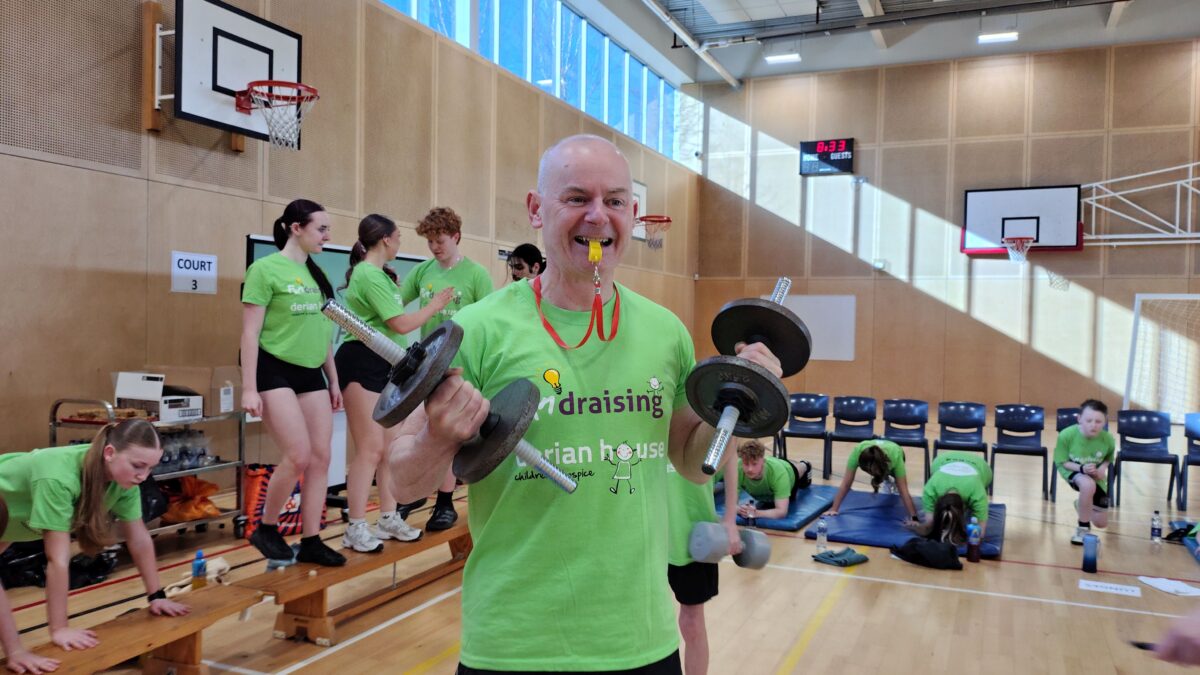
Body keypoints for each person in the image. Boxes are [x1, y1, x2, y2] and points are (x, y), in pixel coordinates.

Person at [386, 134, 783, 672]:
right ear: (536, 209)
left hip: (638, 639)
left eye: (614, 201)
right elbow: (404, 484)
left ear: (633, 215)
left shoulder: (665, 332)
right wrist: (438, 435)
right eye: (577, 198)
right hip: (513, 645)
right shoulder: (476, 329)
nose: (598, 216)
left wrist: (739, 403)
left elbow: (692, 464)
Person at [0, 420, 189, 674]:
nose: (144, 476)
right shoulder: (58, 477)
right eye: (137, 466)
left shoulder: (123, 481)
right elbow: (58, 560)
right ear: (109, 453)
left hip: (9, 522)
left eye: (150, 468)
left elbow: (139, 538)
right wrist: (55, 631)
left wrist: (156, 596)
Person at [335, 214, 453, 552]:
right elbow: (400, 324)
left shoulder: (382, 276)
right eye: (398, 236)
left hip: (387, 365)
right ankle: (355, 526)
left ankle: (388, 517)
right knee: (370, 449)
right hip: (361, 362)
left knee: (390, 449)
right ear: (386, 239)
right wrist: (435, 305)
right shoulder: (368, 274)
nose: (400, 242)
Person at [241, 199, 346, 566]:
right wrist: (249, 388)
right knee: (298, 454)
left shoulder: (317, 274)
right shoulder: (264, 270)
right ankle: (266, 527)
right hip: (274, 369)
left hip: (311, 371)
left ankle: (312, 540)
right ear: (296, 228)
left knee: (321, 457)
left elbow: (323, 333)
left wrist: (333, 380)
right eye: (321, 229)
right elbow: (250, 333)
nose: (327, 236)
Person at [397, 207, 493, 531]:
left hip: (461, 365)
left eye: (440, 241)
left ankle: (445, 502)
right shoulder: (422, 272)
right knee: (425, 431)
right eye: (430, 242)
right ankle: (417, 492)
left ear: (456, 237)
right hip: (428, 364)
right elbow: (396, 306)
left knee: (453, 435)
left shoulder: (476, 275)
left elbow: (489, 321)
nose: (435, 247)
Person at [666, 451, 740, 675]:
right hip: (642, 525)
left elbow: (730, 449)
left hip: (691, 524)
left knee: (692, 624)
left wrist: (730, 518)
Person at [1053, 399, 1114, 545]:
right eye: (1089, 420)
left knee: (1101, 523)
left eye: (1098, 421)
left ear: (1105, 421)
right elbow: (1063, 462)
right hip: (1071, 468)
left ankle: (1081, 504)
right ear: (1079, 419)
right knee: (1087, 485)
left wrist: (1102, 468)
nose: (1093, 425)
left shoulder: (1108, 439)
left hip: (1094, 474)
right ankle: (1083, 529)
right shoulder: (1066, 435)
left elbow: (1108, 458)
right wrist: (1081, 469)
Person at [910, 450, 991, 545]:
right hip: (942, 460)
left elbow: (979, 535)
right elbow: (929, 523)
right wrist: (917, 526)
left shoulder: (977, 493)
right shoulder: (930, 489)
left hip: (980, 465)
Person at [827, 439, 918, 521]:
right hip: (878, 459)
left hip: (895, 451)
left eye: (872, 471)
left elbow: (904, 491)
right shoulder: (857, 453)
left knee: (899, 485)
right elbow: (846, 484)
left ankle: (890, 480)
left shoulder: (895, 457)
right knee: (881, 476)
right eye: (867, 471)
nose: (870, 474)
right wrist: (834, 509)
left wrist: (914, 518)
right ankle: (886, 480)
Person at [731, 440, 811, 522]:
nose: (750, 469)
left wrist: (756, 513)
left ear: (763, 461)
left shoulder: (779, 474)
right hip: (774, 472)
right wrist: (741, 510)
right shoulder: (737, 469)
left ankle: (805, 465)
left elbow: (781, 512)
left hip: (788, 471)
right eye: (746, 464)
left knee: (798, 471)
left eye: (754, 464)